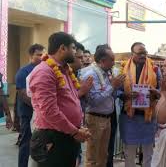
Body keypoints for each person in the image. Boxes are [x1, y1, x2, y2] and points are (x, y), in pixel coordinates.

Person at [29, 32, 91, 167]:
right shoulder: (44, 71)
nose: (76, 52)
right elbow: (49, 111)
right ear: (62, 48)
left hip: (66, 134)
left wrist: (78, 127)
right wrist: (75, 131)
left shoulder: (64, 70)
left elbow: (69, 100)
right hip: (53, 137)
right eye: (73, 48)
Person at [80, 44, 125, 167]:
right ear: (102, 61)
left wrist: (116, 87)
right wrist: (112, 86)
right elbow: (93, 100)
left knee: (103, 156)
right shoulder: (90, 75)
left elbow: (111, 96)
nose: (114, 62)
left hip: (107, 118)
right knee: (92, 157)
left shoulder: (108, 73)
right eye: (112, 60)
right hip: (95, 119)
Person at [119, 42, 161, 167]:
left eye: (145, 52)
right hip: (129, 116)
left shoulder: (154, 69)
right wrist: (125, 95)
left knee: (148, 151)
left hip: (148, 116)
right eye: (140, 53)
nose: (143, 55)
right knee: (129, 152)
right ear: (132, 54)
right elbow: (117, 90)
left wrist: (154, 93)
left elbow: (160, 90)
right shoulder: (122, 69)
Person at [15, 43, 45, 167]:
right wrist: (38, 107)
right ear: (31, 55)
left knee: (41, 143)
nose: (42, 57)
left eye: (43, 54)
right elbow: (23, 94)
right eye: (39, 55)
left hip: (42, 114)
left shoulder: (45, 69)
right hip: (28, 114)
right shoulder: (24, 72)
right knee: (26, 142)